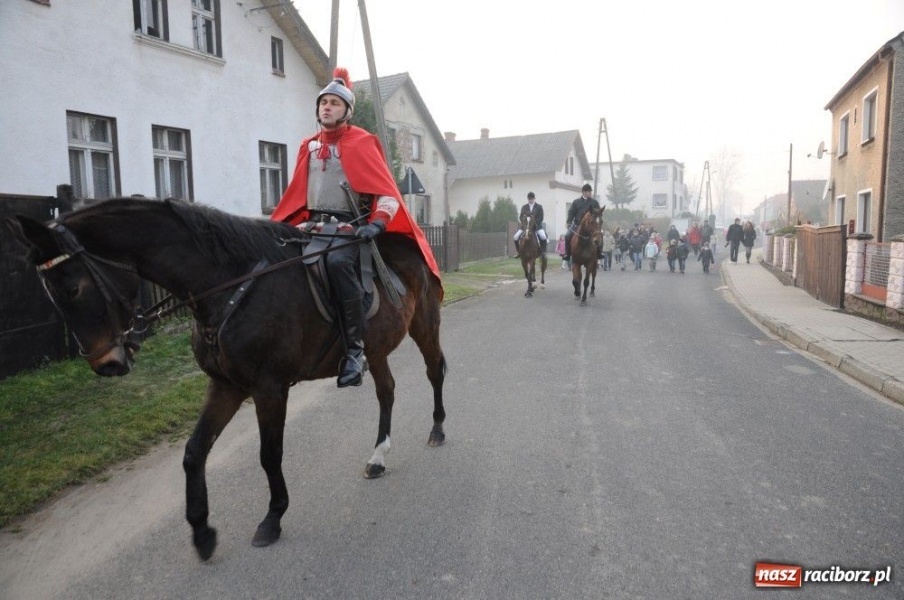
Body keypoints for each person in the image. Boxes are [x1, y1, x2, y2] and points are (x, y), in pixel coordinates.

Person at [270, 67, 438, 388]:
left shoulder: (362, 142)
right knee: (281, 265)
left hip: (350, 230)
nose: (327, 107)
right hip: (311, 227)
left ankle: (354, 350)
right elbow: (297, 194)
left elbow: (385, 191)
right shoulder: (309, 146)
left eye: (334, 102)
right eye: (323, 102)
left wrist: (377, 224)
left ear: (347, 111)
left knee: (335, 264)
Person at [562, 183, 601, 266]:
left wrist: (599, 223)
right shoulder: (576, 202)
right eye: (588, 191)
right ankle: (567, 254)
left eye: (590, 191)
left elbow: (599, 213)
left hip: (591, 226)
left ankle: (599, 254)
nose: (590, 193)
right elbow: (571, 213)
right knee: (567, 236)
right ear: (583, 192)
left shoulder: (594, 202)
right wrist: (569, 222)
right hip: (577, 225)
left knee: (599, 236)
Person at [513, 191, 547, 256]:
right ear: (528, 199)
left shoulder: (539, 207)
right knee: (515, 237)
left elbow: (541, 217)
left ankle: (543, 252)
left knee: (543, 236)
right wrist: (525, 223)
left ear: (534, 199)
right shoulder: (524, 207)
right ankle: (518, 252)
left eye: (532, 199)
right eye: (529, 199)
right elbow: (521, 217)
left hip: (536, 226)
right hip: (525, 227)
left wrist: (534, 223)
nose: (530, 200)